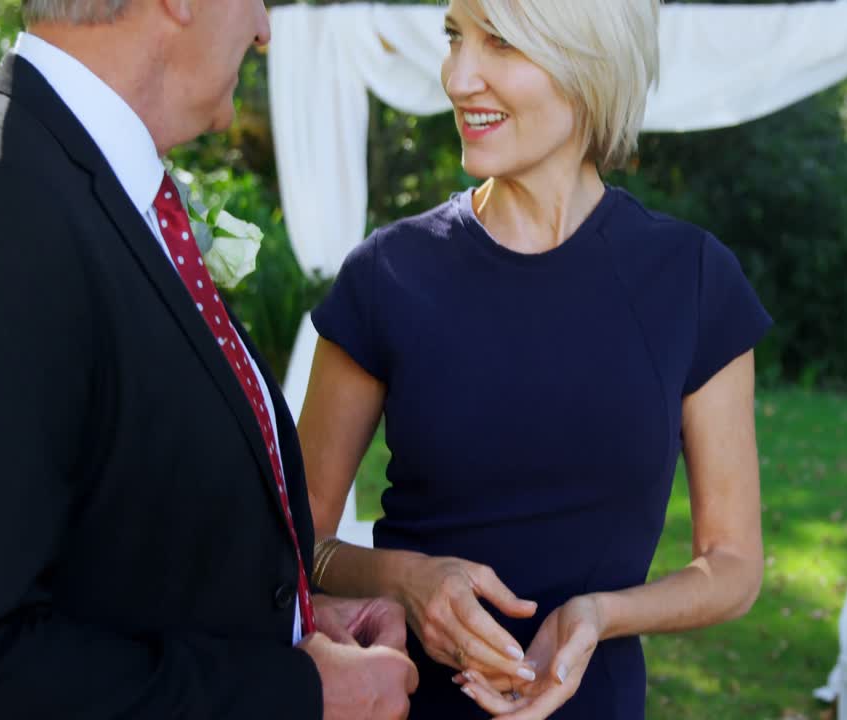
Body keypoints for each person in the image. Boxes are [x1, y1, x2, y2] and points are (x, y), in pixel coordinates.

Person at [0, 1, 417, 718]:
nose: (264, 29)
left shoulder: (100, 191)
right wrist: (298, 694)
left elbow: (126, 532)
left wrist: (296, 624)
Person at [297, 0, 773, 717]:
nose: (458, 78)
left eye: (502, 45)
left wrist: (601, 615)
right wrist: (406, 580)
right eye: (455, 37)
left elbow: (734, 565)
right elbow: (296, 537)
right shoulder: (387, 276)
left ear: (589, 63)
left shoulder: (693, 279)